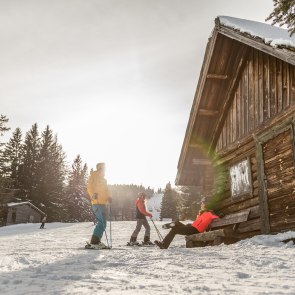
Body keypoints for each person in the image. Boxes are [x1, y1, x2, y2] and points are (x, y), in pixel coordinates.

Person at [154, 202, 219, 249]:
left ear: (206, 206)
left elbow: (216, 216)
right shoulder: (200, 213)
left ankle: (164, 244)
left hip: (196, 230)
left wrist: (220, 215)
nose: (201, 205)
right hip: (191, 228)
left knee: (175, 229)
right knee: (177, 223)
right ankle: (170, 225)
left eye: (202, 204)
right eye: (201, 204)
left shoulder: (210, 214)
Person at [87, 162, 112, 249]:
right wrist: (93, 194)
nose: (105, 170)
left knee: (103, 223)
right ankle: (94, 241)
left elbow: (107, 190)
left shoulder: (104, 180)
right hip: (96, 202)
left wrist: (109, 197)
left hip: (103, 203)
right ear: (100, 168)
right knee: (101, 222)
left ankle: (97, 240)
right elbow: (89, 187)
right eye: (104, 168)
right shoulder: (94, 176)